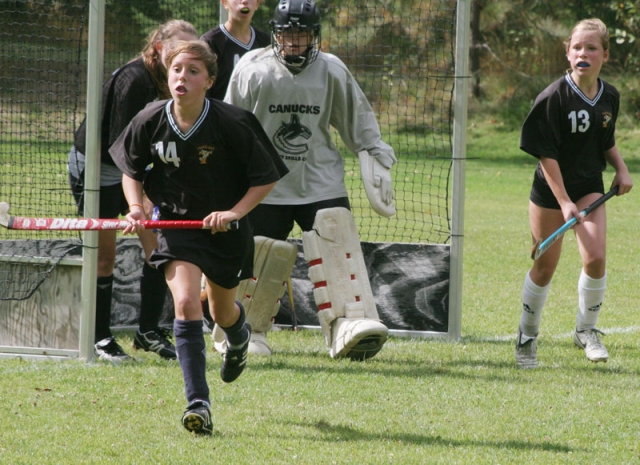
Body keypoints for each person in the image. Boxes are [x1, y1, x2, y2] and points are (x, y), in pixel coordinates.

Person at [110, 39, 287, 435]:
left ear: (209, 80)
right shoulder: (149, 119)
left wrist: (234, 213)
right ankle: (198, 404)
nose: (183, 78)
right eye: (176, 70)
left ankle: (237, 337)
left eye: (193, 71)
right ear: (166, 75)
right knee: (187, 302)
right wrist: (137, 208)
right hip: (176, 230)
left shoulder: (233, 122)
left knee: (220, 313)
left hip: (224, 233)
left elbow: (267, 176)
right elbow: (132, 171)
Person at [224, 0, 397, 359]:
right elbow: (231, 127)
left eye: (302, 35)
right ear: (275, 35)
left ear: (314, 36)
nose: (294, 43)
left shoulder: (331, 70)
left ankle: (348, 325)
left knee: (338, 245)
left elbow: (356, 118)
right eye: (288, 35)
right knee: (258, 259)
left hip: (320, 181)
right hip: (266, 186)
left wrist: (376, 155)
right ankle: (244, 330)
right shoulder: (252, 69)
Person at [68, 20, 199, 363]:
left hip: (132, 169)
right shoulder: (135, 80)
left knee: (156, 248)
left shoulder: (172, 78)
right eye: (177, 48)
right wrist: (140, 197)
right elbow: (122, 148)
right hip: (98, 168)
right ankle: (99, 337)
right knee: (104, 256)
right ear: (159, 47)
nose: (183, 57)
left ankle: (147, 331)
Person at [515, 18, 633, 369]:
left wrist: (621, 167)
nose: (584, 52)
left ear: (605, 55)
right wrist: (564, 202)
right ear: (568, 53)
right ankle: (526, 336)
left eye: (591, 47)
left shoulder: (610, 95)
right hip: (551, 192)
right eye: (577, 47)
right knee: (545, 265)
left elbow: (605, 139)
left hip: (588, 186)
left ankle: (586, 331)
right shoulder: (553, 97)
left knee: (595, 257)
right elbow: (545, 155)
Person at [201, 0, 270, 101]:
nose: (244, 1)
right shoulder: (211, 42)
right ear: (225, 3)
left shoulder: (265, 42)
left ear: (257, 4)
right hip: (222, 114)